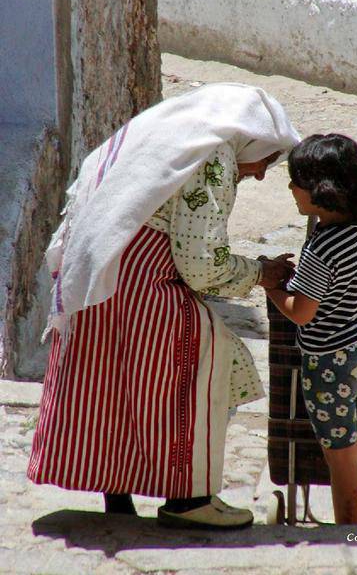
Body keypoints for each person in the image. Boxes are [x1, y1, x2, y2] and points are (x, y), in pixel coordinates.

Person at [28, 83, 299, 529]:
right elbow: (201, 263)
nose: (262, 173)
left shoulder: (162, 133)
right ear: (249, 140)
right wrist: (260, 273)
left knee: (112, 382)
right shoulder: (213, 158)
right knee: (205, 355)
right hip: (134, 282)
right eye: (266, 159)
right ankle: (188, 499)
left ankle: (118, 497)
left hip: (95, 277)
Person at [265, 133, 357, 526]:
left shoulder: (320, 248)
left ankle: (350, 538)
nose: (291, 187)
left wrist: (272, 286)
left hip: (330, 364)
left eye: (297, 181)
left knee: (341, 460)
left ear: (321, 191)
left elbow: (302, 312)